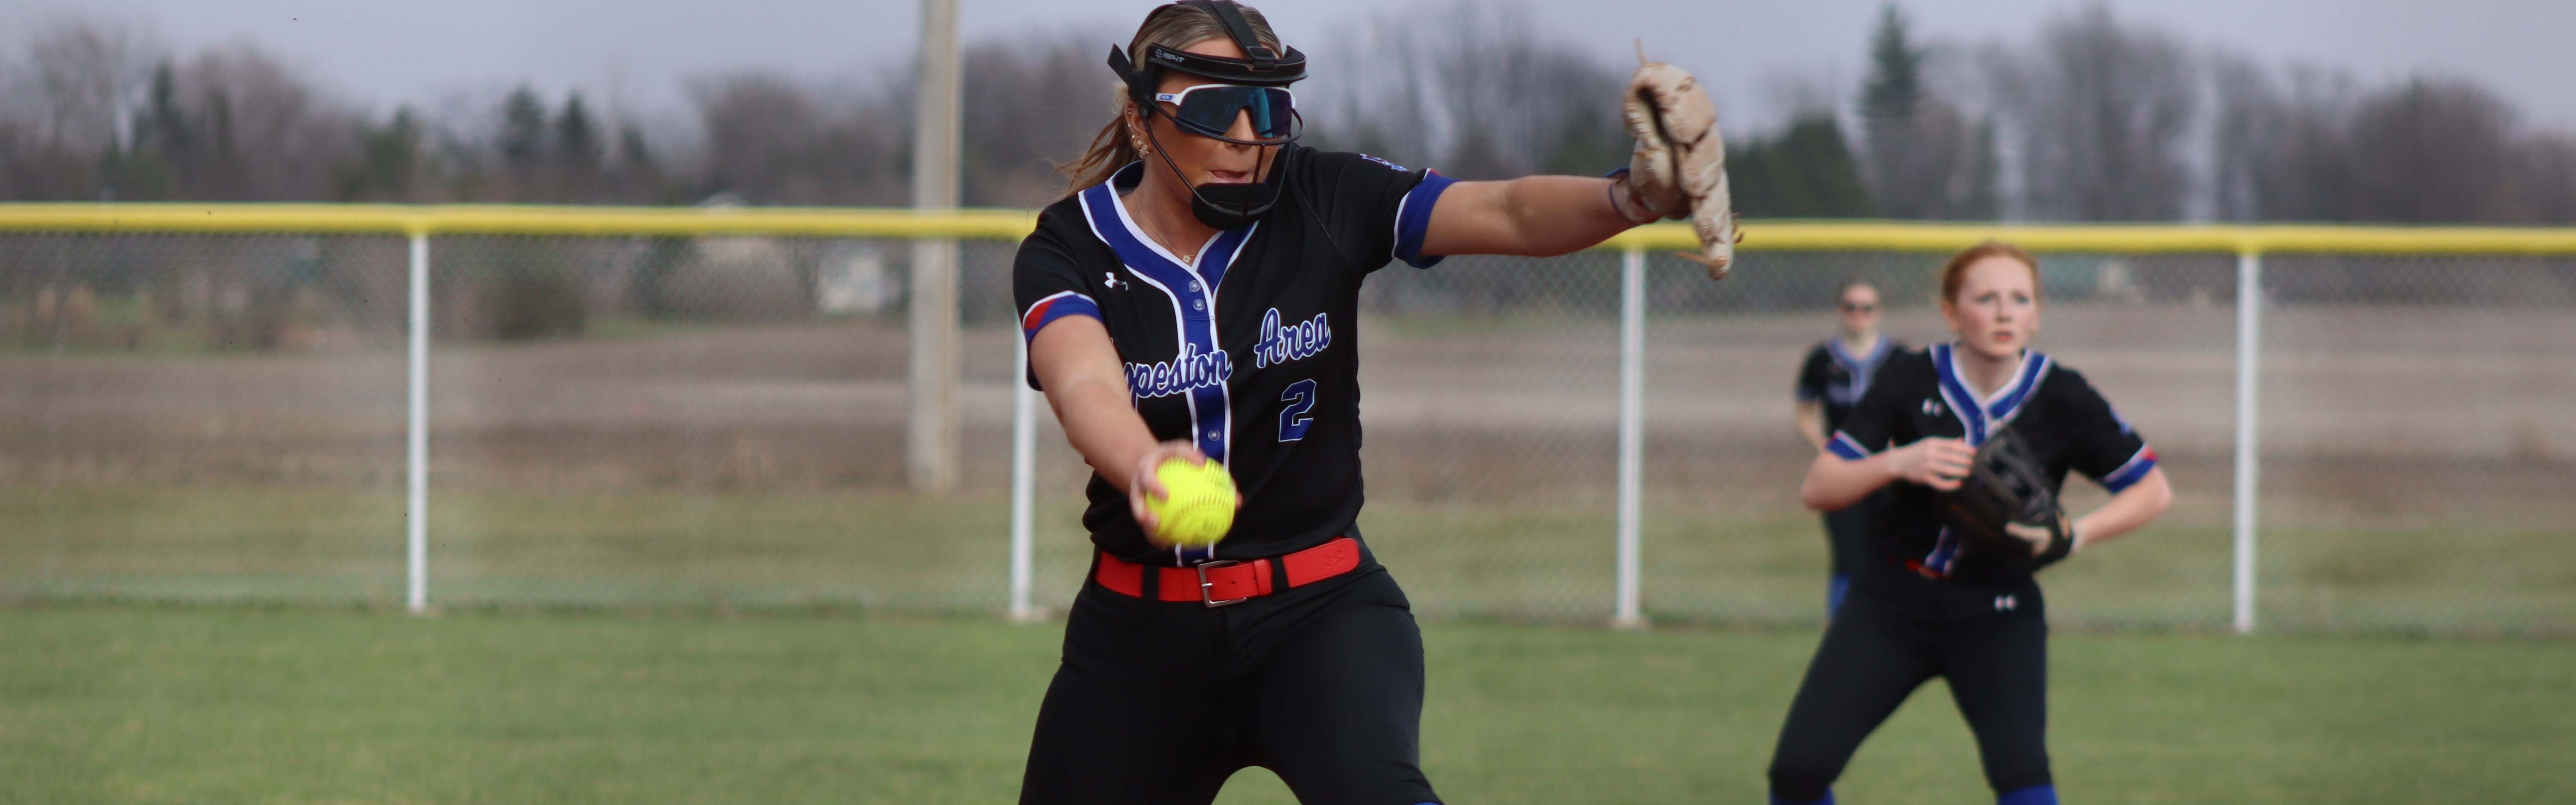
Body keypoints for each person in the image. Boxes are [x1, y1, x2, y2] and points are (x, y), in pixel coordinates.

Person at [1009, 3, 1728, 803]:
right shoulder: (1069, 245)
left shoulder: (1320, 192)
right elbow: (1083, 384)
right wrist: (1144, 462)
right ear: (1143, 120)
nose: (1249, 135)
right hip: (1136, 639)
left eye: (1271, 108)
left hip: (1318, 618)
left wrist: (1630, 196)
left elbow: (1506, 211)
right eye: (1216, 109)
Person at [1764, 242, 2174, 805]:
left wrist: (2076, 534)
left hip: (1997, 609)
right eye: (1986, 298)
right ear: (1952, 312)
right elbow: (1819, 486)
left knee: (2024, 779)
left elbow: (2153, 489)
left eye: (2019, 299)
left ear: (2037, 314)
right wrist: (1898, 461)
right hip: (1890, 602)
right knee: (1797, 772)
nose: (2004, 312)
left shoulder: (2064, 394)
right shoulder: (1910, 377)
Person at [1793, 280, 1904, 614]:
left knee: (1889, 550)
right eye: (1851, 307)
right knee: (1847, 555)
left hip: (1885, 469)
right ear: (1841, 311)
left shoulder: (1898, 358)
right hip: (1841, 471)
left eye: (1867, 307)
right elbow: (1806, 414)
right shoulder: (1822, 358)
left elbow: (1913, 412)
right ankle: (1843, 629)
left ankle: (1891, 625)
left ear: (1879, 313)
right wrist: (1826, 448)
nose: (1859, 314)